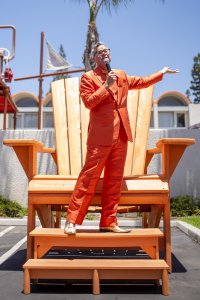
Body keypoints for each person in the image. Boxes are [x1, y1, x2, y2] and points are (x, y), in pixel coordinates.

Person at [64, 42, 179, 235]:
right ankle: (72, 221)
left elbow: (142, 81)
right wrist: (106, 85)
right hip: (100, 138)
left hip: (121, 137)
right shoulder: (88, 78)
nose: (105, 54)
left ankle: (108, 222)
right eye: (101, 52)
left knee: (114, 181)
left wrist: (161, 73)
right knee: (88, 178)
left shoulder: (121, 75)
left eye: (107, 51)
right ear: (94, 58)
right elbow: (89, 102)